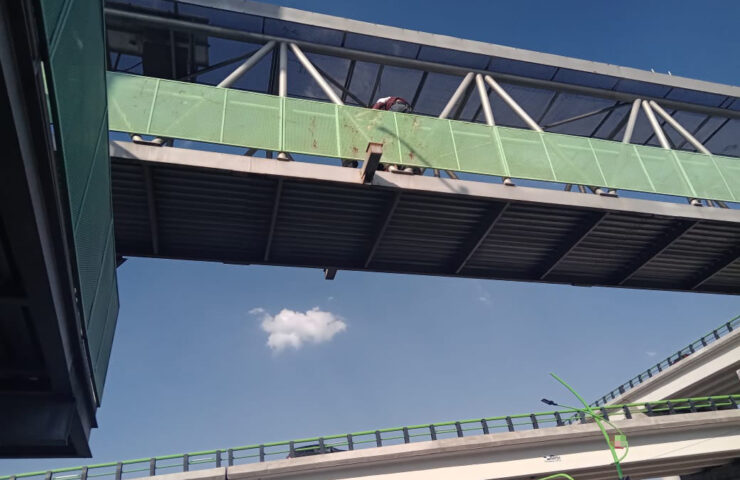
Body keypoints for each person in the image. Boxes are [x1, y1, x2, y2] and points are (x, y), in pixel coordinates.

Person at [371, 96, 420, 175]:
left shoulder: (381, 101)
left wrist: (371, 121)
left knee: (385, 130)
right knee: (408, 136)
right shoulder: (390, 101)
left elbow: (374, 111)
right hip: (408, 109)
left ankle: (391, 166)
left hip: (398, 107)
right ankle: (408, 167)